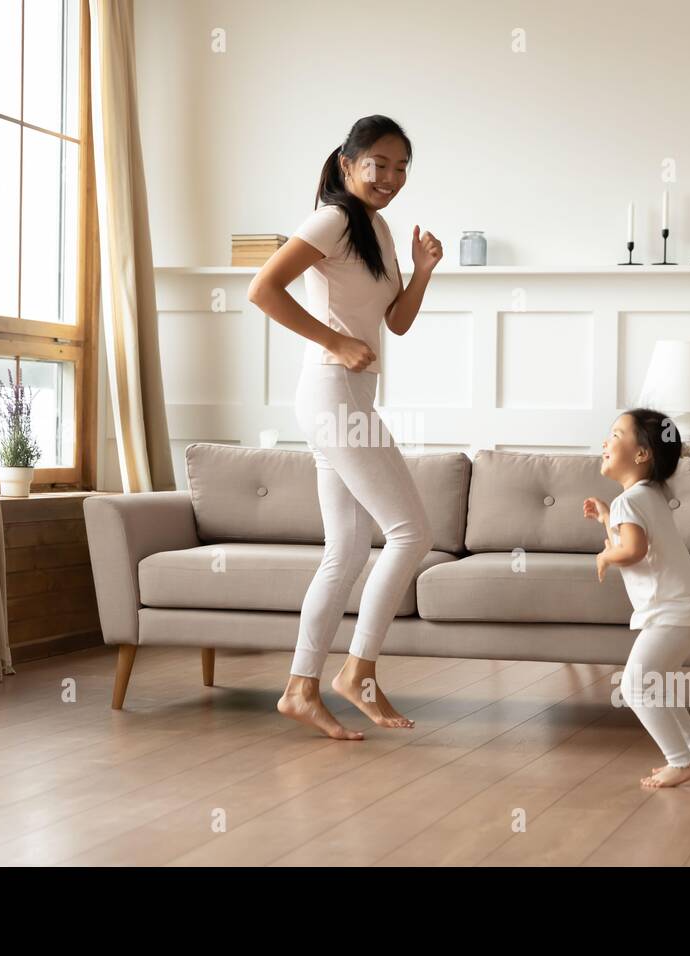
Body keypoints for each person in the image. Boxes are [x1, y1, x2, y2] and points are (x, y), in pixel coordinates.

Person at [247, 115, 444, 740]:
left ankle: (300, 688)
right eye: (378, 163)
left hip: (347, 395)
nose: (390, 176)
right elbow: (262, 289)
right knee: (411, 534)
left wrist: (421, 272)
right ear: (347, 164)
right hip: (333, 393)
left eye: (400, 166)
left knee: (348, 550)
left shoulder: (376, 228)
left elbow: (397, 323)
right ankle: (357, 673)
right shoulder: (330, 219)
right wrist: (336, 340)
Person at [583, 409, 690, 787]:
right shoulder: (647, 494)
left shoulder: (632, 500)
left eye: (615, 434)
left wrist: (606, 553)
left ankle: (680, 759)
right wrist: (607, 519)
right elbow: (634, 541)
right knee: (654, 684)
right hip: (685, 611)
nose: (605, 442)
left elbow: (633, 550)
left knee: (635, 687)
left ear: (642, 454)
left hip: (669, 613)